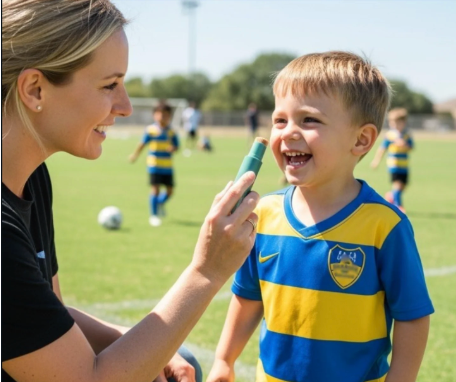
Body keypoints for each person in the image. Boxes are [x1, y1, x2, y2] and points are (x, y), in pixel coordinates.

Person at [1, 1, 260, 382]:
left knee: (176, 355)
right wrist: (207, 271)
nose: (124, 106)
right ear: (35, 89)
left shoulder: (32, 177)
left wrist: (129, 342)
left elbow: (48, 312)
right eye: (110, 85)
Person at [207, 52, 434, 382]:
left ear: (361, 139)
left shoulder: (385, 226)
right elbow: (247, 295)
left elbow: (412, 316)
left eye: (309, 120)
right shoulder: (263, 215)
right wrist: (224, 360)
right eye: (280, 120)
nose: (288, 132)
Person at [129, 103, 179, 227]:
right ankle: (154, 216)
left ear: (170, 117)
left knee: (170, 192)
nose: (163, 117)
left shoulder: (172, 131)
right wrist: (135, 155)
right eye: (160, 114)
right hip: (154, 165)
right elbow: (142, 144)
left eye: (166, 115)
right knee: (155, 190)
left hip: (167, 166)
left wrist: (173, 148)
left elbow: (177, 146)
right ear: (154, 115)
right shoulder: (150, 130)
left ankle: (160, 203)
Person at [370, 108, 413, 212]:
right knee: (397, 186)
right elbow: (382, 149)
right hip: (394, 165)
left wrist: (404, 145)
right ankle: (399, 206)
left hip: (404, 165)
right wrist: (376, 161)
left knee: (402, 187)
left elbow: (411, 147)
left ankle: (391, 195)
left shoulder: (406, 135)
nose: (394, 125)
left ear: (403, 123)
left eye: (397, 123)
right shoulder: (390, 135)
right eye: (392, 123)